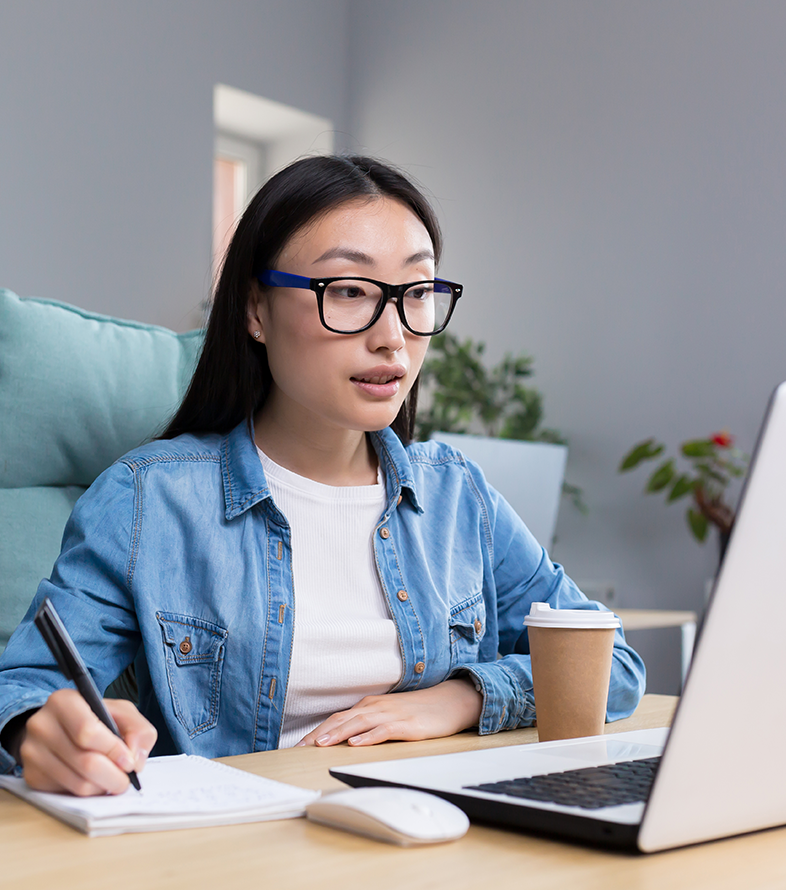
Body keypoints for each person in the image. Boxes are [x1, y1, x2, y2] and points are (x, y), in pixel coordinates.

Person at [0, 155, 645, 796]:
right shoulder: (150, 499)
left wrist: (462, 698)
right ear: (256, 310)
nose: (392, 337)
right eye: (349, 291)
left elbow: (611, 664)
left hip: (436, 829)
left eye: (417, 293)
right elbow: (24, 688)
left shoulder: (457, 496)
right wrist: (39, 731)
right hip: (241, 836)